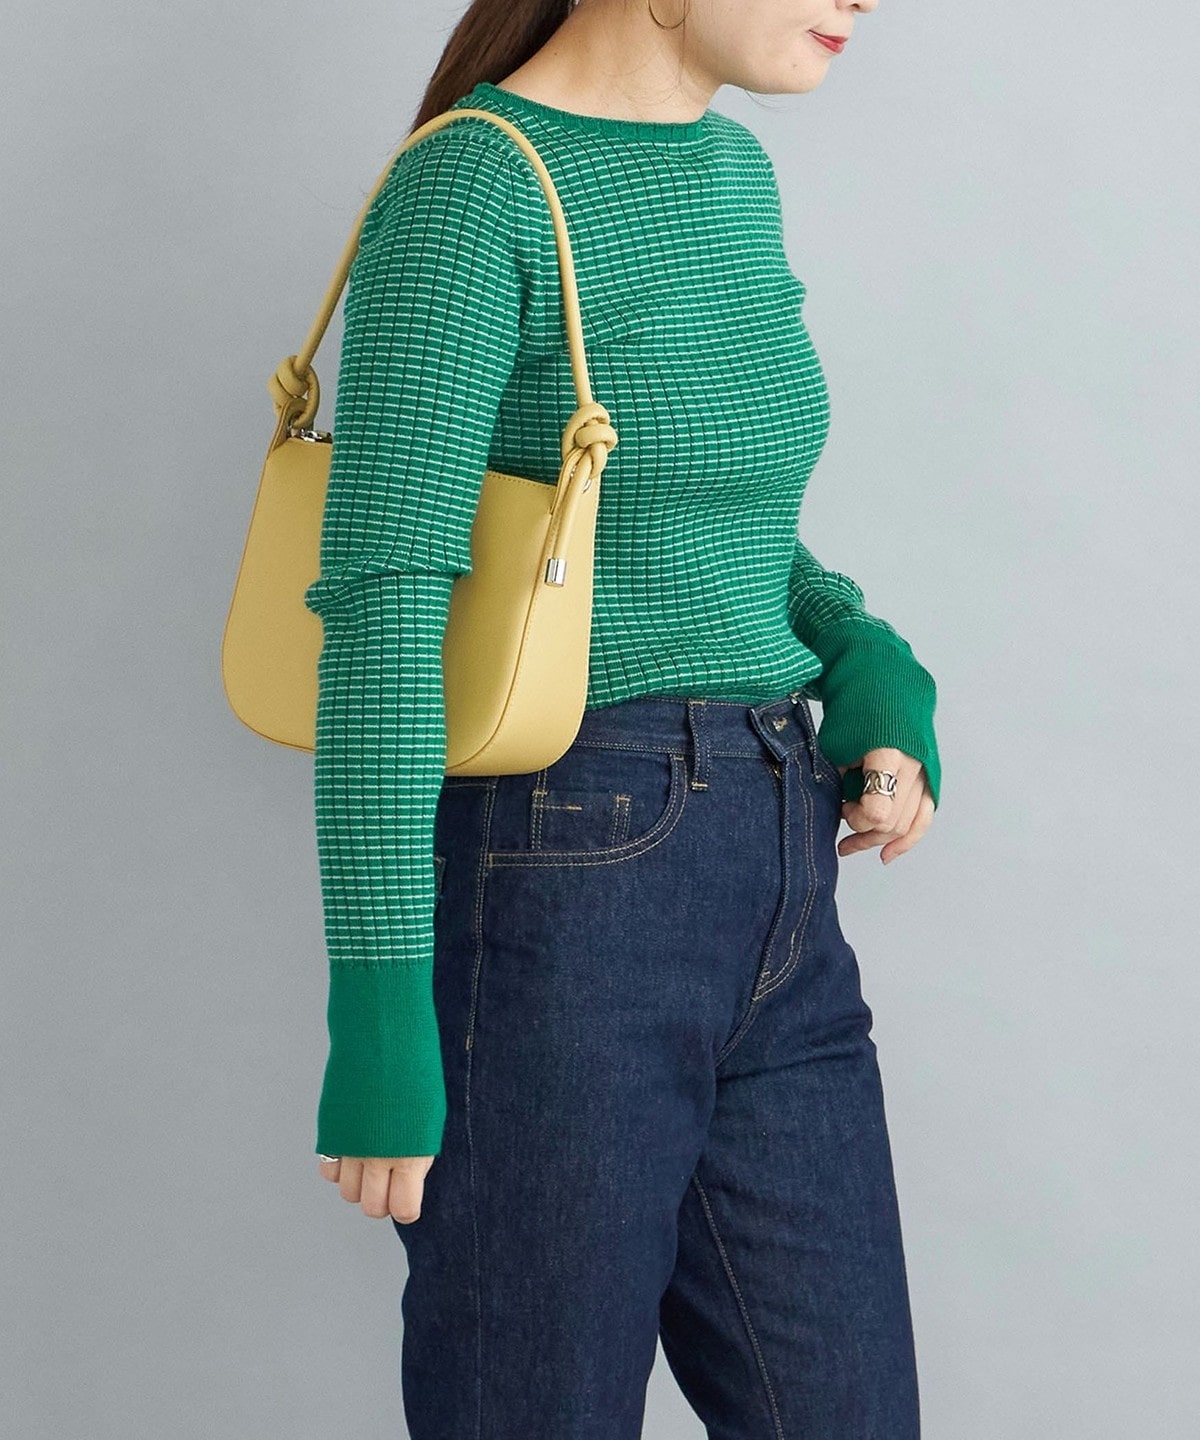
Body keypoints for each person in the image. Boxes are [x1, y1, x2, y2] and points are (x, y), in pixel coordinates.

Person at [303, 0, 939, 1434]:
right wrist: (380, 1008)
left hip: (780, 861)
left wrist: (863, 657)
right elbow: (386, 608)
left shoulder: (730, 171)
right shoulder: (471, 185)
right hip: (571, 875)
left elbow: (713, 530)